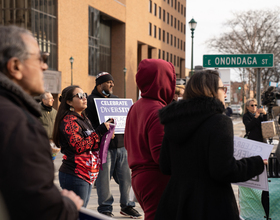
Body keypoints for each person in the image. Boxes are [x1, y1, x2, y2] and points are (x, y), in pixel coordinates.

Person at [154, 70, 266, 220]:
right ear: (212, 91)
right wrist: (257, 163)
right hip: (211, 204)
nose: (225, 94)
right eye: (223, 89)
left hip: (176, 202)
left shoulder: (173, 121)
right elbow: (224, 170)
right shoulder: (219, 121)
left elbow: (165, 165)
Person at [0, 25, 83, 220]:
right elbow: (44, 209)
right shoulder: (19, 124)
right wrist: (69, 205)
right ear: (15, 67)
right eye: (40, 59)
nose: (45, 66)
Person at [124, 59, 175, 220]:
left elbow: (128, 143)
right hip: (155, 179)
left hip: (138, 177)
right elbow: (161, 155)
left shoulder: (136, 107)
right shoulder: (157, 110)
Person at [86, 72, 141, 218]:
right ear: (99, 84)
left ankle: (127, 206)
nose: (112, 85)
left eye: (112, 82)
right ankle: (105, 208)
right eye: (109, 82)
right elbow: (89, 124)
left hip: (122, 145)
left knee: (126, 179)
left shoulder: (116, 100)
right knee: (103, 181)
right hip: (103, 148)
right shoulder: (90, 101)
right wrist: (104, 129)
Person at [53, 85, 111, 208]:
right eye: (79, 96)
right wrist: (99, 132)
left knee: (80, 212)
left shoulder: (84, 118)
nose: (84, 98)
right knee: (77, 214)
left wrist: (106, 133)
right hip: (75, 174)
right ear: (69, 102)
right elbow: (78, 146)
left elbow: (92, 142)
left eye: (85, 95)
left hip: (86, 174)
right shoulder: (69, 121)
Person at [39, 91, 60, 159]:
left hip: (53, 144)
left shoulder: (55, 112)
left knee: (50, 162)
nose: (53, 100)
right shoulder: (36, 110)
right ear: (43, 100)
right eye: (50, 98)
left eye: (53, 98)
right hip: (41, 142)